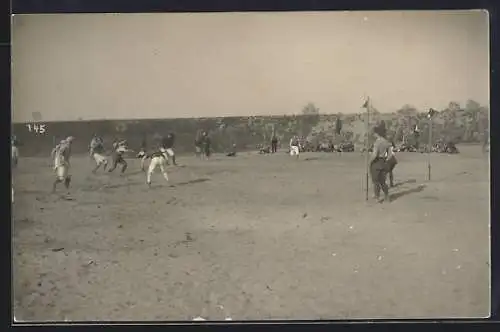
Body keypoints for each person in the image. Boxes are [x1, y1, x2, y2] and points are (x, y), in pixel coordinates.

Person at [370, 124, 392, 203]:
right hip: (384, 162)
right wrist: (385, 161)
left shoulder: (377, 142)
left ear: (376, 133)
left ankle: (377, 197)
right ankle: (387, 196)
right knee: (383, 181)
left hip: (376, 162)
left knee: (376, 181)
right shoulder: (386, 142)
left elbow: (374, 154)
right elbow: (390, 155)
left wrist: (370, 161)